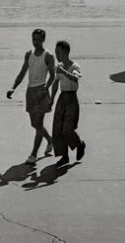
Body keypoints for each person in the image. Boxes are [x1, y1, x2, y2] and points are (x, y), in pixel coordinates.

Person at [7, 29, 56, 166]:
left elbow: (52, 76)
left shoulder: (48, 56)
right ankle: (50, 140)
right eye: (34, 39)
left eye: (39, 39)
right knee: (34, 124)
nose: (36, 42)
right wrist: (13, 87)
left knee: (39, 124)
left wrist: (45, 90)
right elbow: (22, 72)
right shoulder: (29, 54)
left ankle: (33, 154)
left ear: (43, 40)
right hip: (30, 92)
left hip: (41, 91)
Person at [50, 39, 86, 167]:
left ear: (65, 52)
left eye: (58, 53)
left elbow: (76, 78)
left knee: (67, 129)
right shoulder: (59, 66)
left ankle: (79, 144)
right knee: (58, 128)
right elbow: (56, 83)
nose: (57, 55)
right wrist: (51, 99)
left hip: (71, 99)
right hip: (62, 98)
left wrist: (64, 72)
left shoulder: (74, 66)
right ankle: (64, 157)